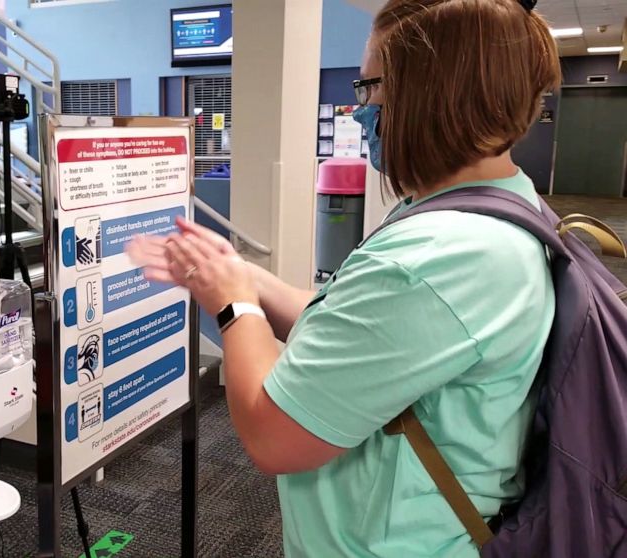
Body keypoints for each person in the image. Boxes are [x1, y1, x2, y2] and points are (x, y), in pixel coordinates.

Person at [126, 0, 561, 555]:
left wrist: (234, 306)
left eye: (368, 88)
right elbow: (349, 324)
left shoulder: (436, 256)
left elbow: (272, 434)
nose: (360, 110)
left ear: (428, 93)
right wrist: (241, 276)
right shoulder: (491, 208)